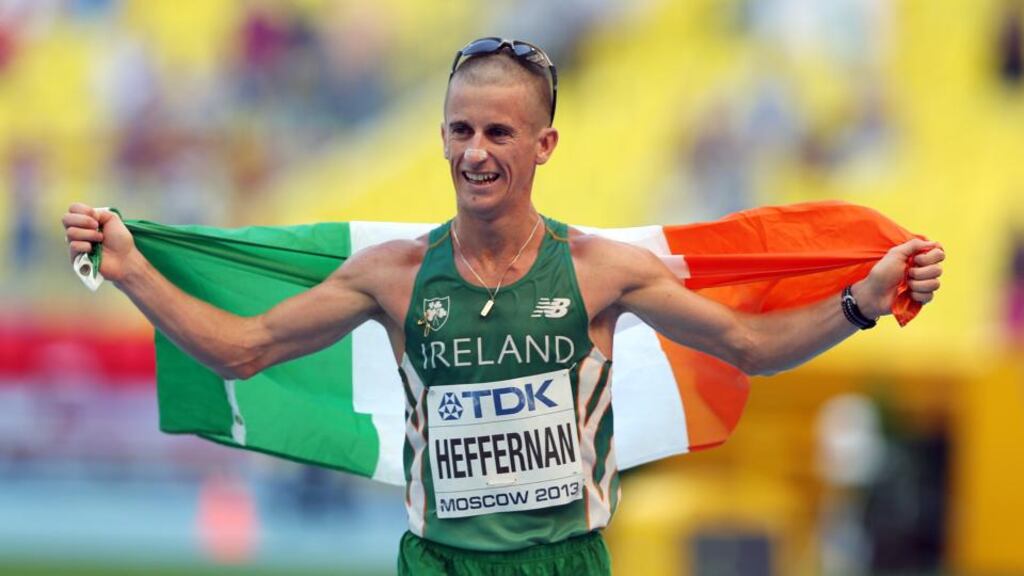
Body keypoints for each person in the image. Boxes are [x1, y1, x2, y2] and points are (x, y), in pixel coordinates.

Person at [62, 37, 945, 575]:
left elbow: (747, 345)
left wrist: (858, 304)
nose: (475, 153)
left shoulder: (602, 271)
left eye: (498, 133)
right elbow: (243, 350)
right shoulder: (393, 276)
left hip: (564, 563)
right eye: (459, 130)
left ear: (544, 143)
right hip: (439, 564)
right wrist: (133, 268)